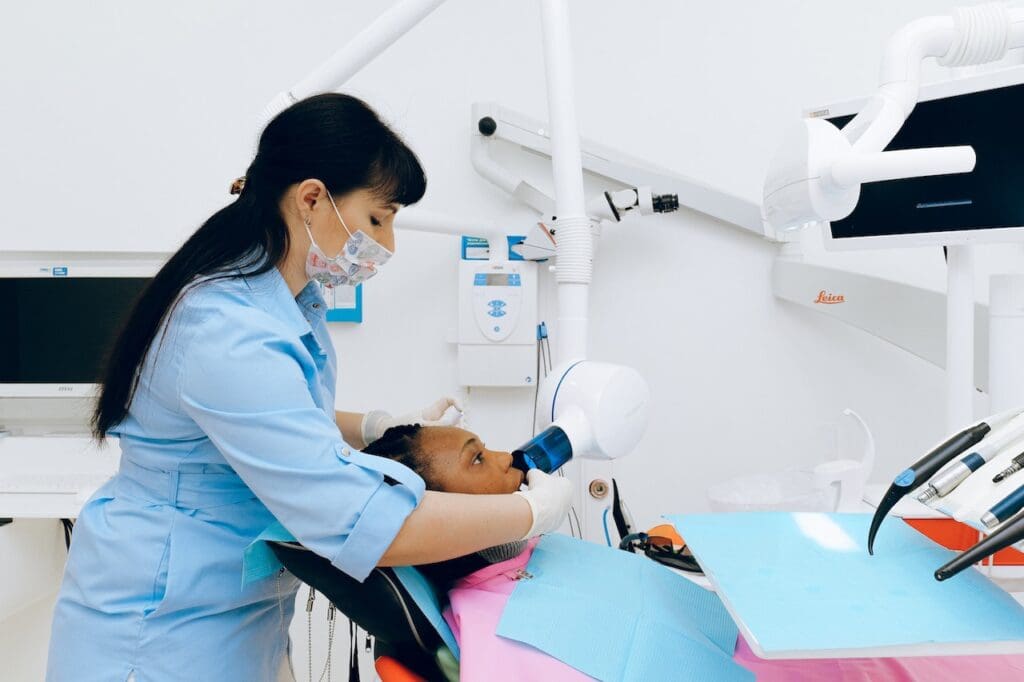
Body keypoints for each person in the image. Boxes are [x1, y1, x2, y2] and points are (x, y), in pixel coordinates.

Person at [45, 93, 572, 682]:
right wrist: (526, 510)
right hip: (157, 627)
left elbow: (275, 411)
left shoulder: (282, 298)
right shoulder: (226, 331)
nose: (389, 244)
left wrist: (370, 426)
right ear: (313, 198)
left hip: (230, 610)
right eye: (378, 218)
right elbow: (362, 524)